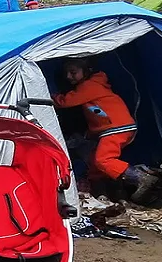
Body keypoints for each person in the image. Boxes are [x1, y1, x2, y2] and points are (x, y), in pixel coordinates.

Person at [52, 58, 155, 199]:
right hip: (119, 127)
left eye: (73, 72)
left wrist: (50, 97)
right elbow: (98, 114)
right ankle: (104, 192)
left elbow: (66, 102)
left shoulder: (89, 86)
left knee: (103, 159)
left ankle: (140, 178)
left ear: (87, 71)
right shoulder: (95, 84)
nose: (69, 76)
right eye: (66, 73)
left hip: (117, 128)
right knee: (95, 161)